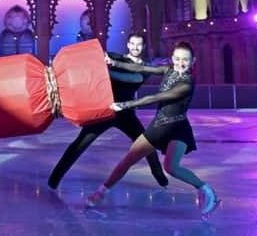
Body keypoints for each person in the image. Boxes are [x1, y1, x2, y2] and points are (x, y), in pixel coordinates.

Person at [86, 42, 220, 219]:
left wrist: (127, 104)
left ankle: (207, 191)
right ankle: (101, 192)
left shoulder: (186, 84)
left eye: (185, 60)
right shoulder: (168, 70)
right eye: (178, 58)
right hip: (159, 126)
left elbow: (155, 97)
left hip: (178, 128)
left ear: (193, 61)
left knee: (171, 167)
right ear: (172, 58)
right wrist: (114, 63)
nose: (181, 63)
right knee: (128, 159)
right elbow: (141, 67)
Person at [47, 33, 168, 189]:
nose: (135, 47)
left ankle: (160, 178)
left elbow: (133, 79)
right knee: (79, 144)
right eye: (132, 44)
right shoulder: (115, 57)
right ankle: (54, 179)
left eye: (139, 44)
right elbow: (94, 58)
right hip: (104, 110)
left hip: (126, 113)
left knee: (146, 144)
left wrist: (108, 70)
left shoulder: (145, 68)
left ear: (143, 47)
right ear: (128, 45)